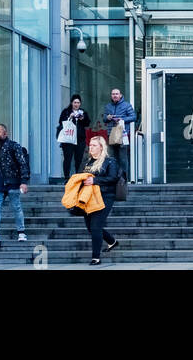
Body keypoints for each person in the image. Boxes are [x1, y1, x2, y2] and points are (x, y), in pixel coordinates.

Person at [0, 123, 30, 248]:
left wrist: (24, 181)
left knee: (16, 207)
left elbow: (22, 164)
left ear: (5, 133)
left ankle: (21, 233)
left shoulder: (13, 146)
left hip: (13, 182)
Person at [80, 134, 121, 265]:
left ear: (101, 147)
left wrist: (95, 180)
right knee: (90, 227)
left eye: (94, 145)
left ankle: (95, 258)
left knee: (96, 226)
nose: (90, 148)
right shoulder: (88, 162)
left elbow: (113, 178)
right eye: (90, 145)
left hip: (105, 196)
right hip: (89, 197)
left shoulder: (110, 161)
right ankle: (111, 241)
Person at [102, 87, 138, 178]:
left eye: (116, 94)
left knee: (122, 158)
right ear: (111, 95)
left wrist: (122, 119)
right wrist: (108, 118)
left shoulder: (126, 105)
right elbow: (104, 119)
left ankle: (124, 178)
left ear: (120, 95)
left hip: (122, 134)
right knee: (112, 157)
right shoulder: (108, 106)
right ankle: (113, 177)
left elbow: (133, 117)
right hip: (111, 134)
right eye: (113, 94)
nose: (115, 96)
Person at [56, 94, 89, 182]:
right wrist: (69, 117)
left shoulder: (83, 112)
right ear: (71, 103)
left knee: (79, 159)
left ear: (80, 104)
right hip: (68, 139)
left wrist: (82, 119)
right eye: (75, 102)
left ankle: (78, 177)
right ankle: (67, 177)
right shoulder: (66, 111)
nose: (76, 104)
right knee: (67, 158)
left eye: (78, 102)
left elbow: (87, 123)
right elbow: (61, 122)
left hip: (80, 139)